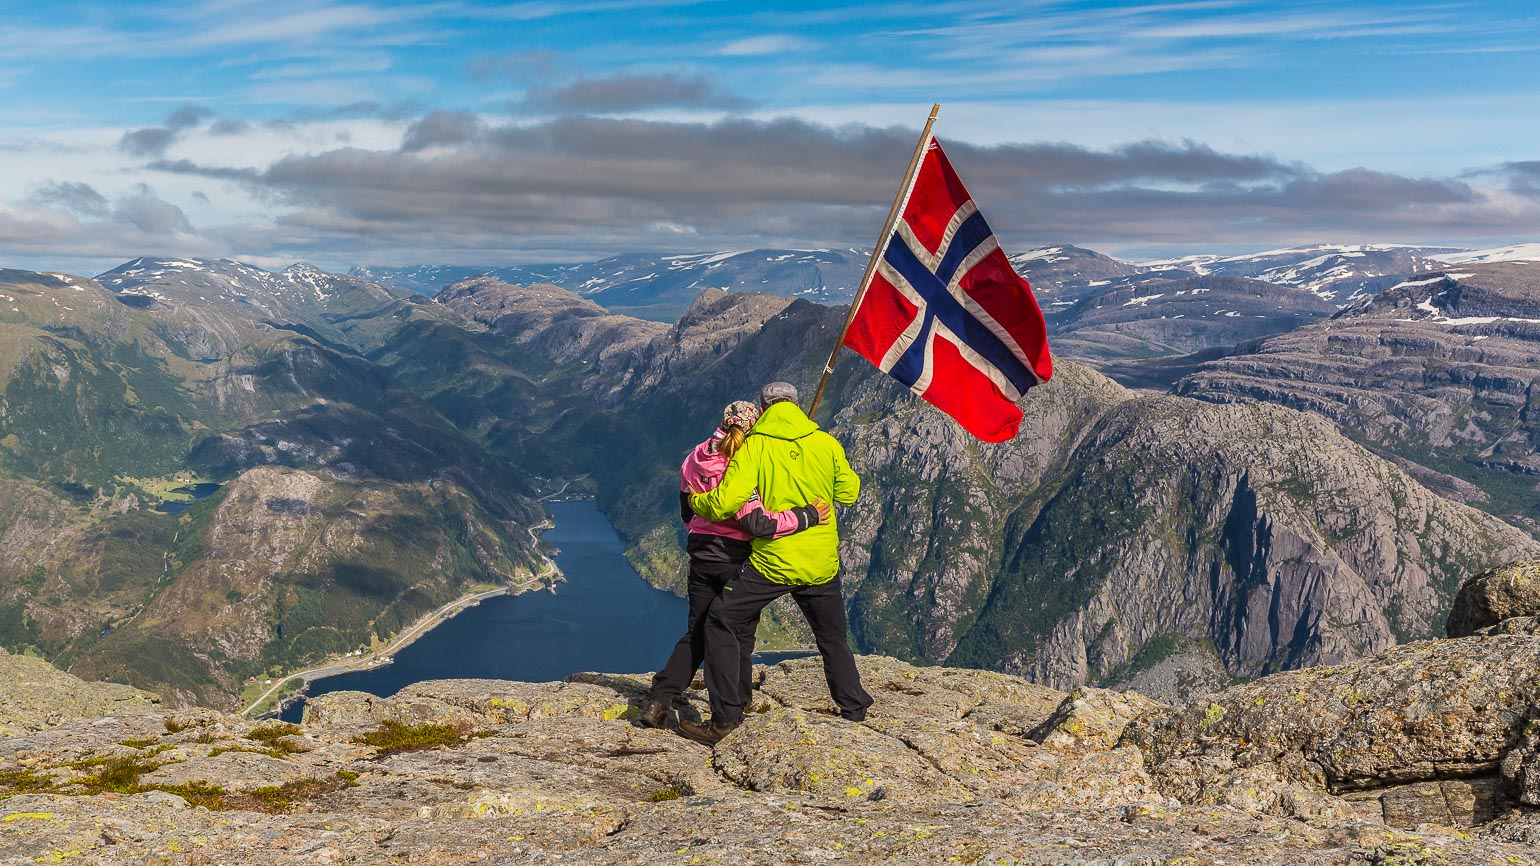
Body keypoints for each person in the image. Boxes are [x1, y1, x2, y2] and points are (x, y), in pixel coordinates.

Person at [677, 382, 872, 746]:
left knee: (720, 620)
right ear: (796, 406)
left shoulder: (755, 446)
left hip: (774, 564)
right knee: (832, 638)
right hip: (821, 563)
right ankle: (854, 707)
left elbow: (723, 503)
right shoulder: (826, 443)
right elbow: (850, 492)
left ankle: (725, 719)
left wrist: (695, 503)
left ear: (764, 410)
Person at [639, 400, 831, 730]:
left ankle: (659, 700)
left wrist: (700, 532)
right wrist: (807, 515)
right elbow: (758, 524)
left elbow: (687, 509)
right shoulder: (741, 463)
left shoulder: (695, 456)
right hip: (735, 559)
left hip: (701, 556)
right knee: (738, 632)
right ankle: (736, 703)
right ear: (753, 427)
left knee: (698, 631)